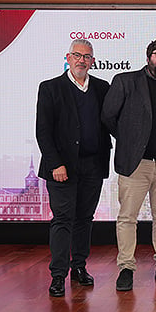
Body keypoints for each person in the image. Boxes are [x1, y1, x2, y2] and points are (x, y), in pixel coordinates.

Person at [101, 36, 156, 292]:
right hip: (136, 164)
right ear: (149, 56)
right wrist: (130, 142)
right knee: (127, 217)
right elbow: (108, 117)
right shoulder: (126, 81)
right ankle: (126, 267)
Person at [36, 39, 111, 297]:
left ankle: (79, 266)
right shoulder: (50, 88)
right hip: (62, 167)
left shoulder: (102, 88)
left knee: (84, 219)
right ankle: (58, 275)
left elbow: (111, 123)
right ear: (67, 57)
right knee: (63, 219)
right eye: (77, 55)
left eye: (87, 56)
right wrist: (56, 163)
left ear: (92, 60)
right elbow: (43, 132)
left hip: (93, 164)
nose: (82, 60)